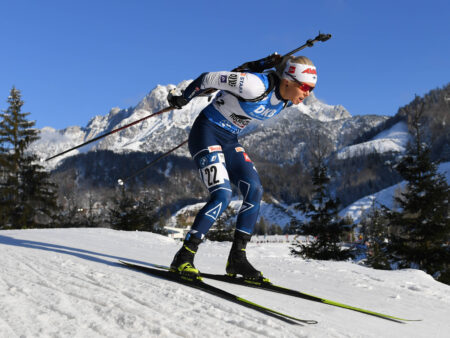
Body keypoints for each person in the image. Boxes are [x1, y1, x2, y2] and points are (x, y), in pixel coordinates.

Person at [167, 55, 317, 280]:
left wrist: (260, 64)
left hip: (229, 139)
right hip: (206, 132)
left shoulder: (286, 100)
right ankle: (184, 257)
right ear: (288, 80)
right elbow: (208, 78)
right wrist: (184, 97)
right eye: (305, 87)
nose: (308, 94)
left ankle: (237, 258)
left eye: (311, 89)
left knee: (254, 189)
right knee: (222, 195)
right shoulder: (255, 86)